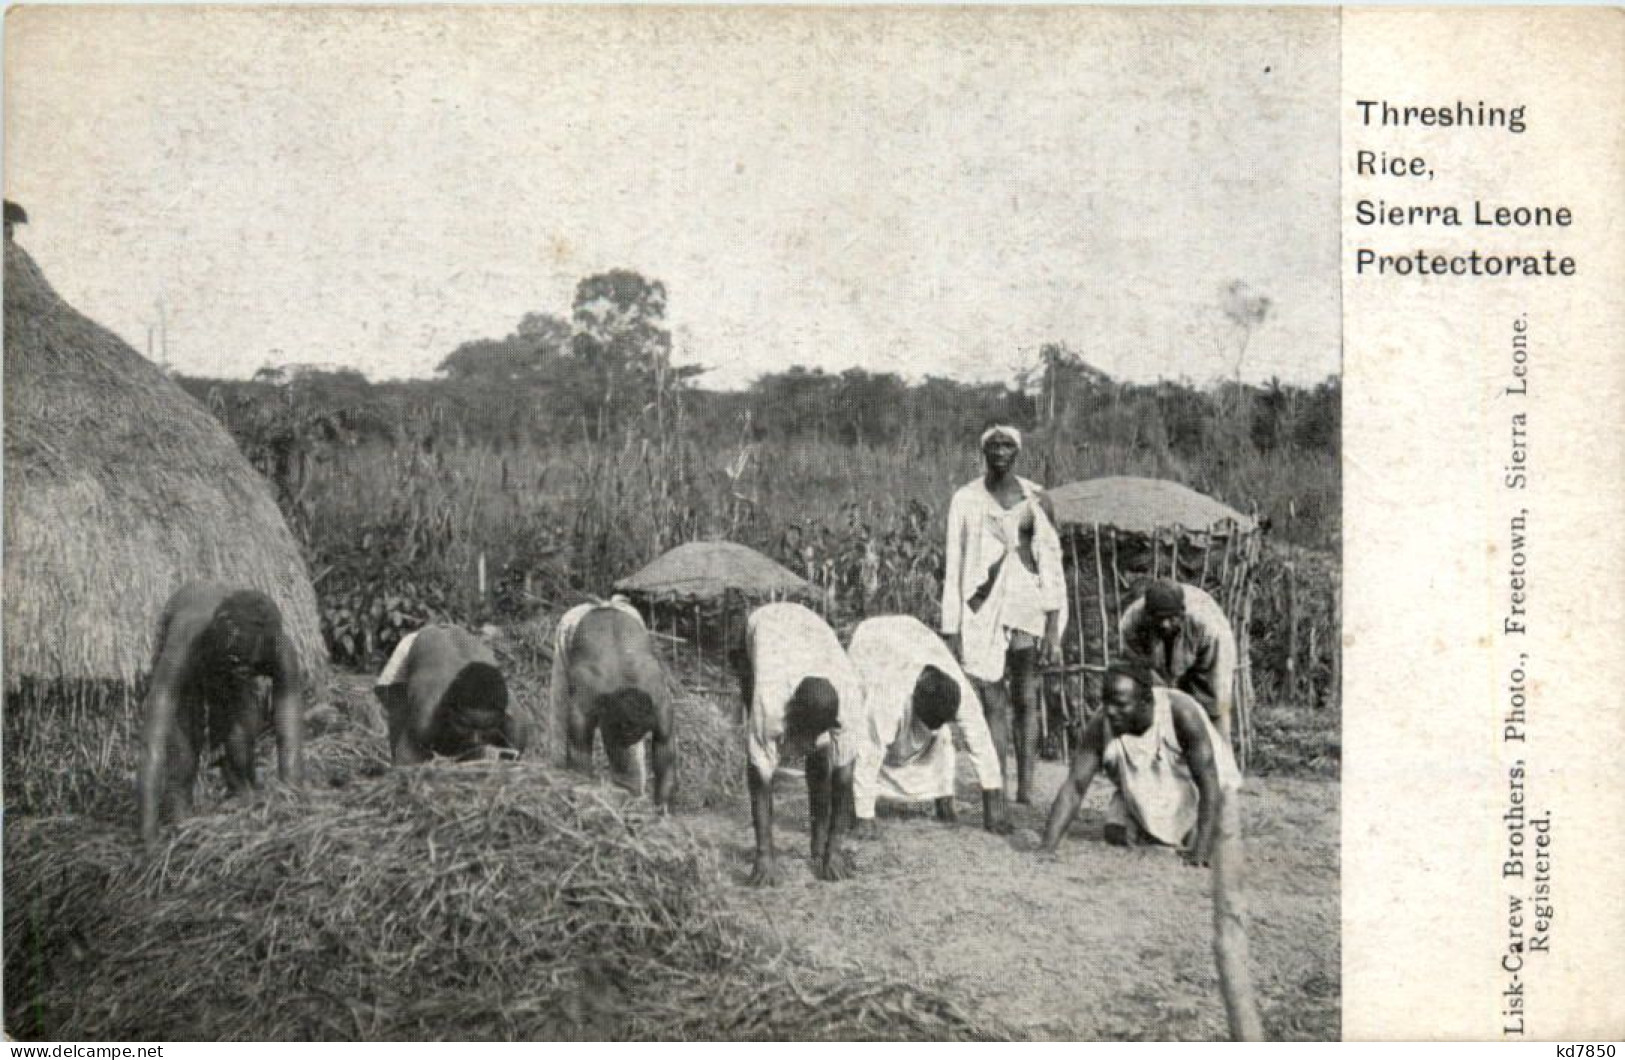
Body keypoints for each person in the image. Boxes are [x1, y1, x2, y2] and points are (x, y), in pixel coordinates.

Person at [940, 424, 1068, 804]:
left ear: (1018, 451)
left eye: (1007, 445)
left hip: (1027, 608)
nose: (1000, 451)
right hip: (980, 611)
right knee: (992, 699)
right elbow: (954, 563)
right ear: (983, 452)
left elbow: (1052, 565)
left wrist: (1052, 628)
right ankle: (996, 784)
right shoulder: (966, 499)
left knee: (1027, 697)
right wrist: (952, 628)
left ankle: (1026, 788)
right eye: (993, 445)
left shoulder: (1037, 499)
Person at [138, 582, 305, 848]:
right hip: (199, 642)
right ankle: (181, 825)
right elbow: (153, 743)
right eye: (236, 663)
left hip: (231, 645)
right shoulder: (188, 635)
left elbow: (291, 742)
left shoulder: (281, 648)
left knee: (240, 740)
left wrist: (295, 824)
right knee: (183, 752)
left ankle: (242, 809)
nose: (241, 671)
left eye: (249, 667)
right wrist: (147, 837)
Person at [1039, 659, 1240, 867]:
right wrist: (1046, 848)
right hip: (1147, 787)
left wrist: (1202, 850)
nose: (1110, 711)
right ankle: (1153, 825)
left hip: (1194, 788)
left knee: (1198, 834)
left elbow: (1209, 781)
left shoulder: (1180, 713)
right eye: (1106, 702)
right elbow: (1074, 787)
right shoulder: (1102, 723)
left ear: (1146, 701)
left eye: (1120, 704)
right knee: (1115, 832)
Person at [736, 601, 864, 887]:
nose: (805, 744)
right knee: (761, 762)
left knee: (820, 754)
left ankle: (819, 844)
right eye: (801, 733)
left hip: (811, 627)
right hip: (763, 624)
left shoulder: (850, 701)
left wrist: (834, 847)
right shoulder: (769, 702)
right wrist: (764, 855)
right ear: (790, 712)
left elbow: (844, 780)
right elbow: (758, 779)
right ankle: (765, 846)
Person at [846, 614, 1010, 834]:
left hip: (913, 636)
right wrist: (864, 816)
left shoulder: (959, 691)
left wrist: (993, 807)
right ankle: (848, 803)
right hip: (872, 645)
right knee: (859, 730)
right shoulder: (888, 698)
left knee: (942, 739)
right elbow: (869, 750)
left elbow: (980, 741)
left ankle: (943, 799)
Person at [550, 596, 676, 811]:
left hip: (629, 618)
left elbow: (668, 765)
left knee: (632, 773)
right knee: (560, 746)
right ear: (603, 713)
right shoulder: (587, 687)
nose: (623, 744)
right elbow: (578, 754)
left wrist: (664, 814)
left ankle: (630, 807)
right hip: (577, 626)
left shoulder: (657, 696)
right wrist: (582, 810)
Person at [374, 624, 531, 765]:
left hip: (461, 643)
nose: (476, 739)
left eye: (487, 727)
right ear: (448, 711)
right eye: (465, 725)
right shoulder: (426, 714)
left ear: (503, 717)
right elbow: (407, 771)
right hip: (413, 651)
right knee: (407, 747)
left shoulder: (517, 725)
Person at [1118, 579, 1239, 741]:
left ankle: (1220, 760)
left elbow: (1214, 696)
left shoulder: (1207, 625)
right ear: (1147, 614)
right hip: (1156, 662)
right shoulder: (1132, 622)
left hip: (1207, 652)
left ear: (1182, 611)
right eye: (1158, 618)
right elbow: (1138, 667)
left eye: (1171, 618)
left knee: (1211, 718)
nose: (1165, 624)